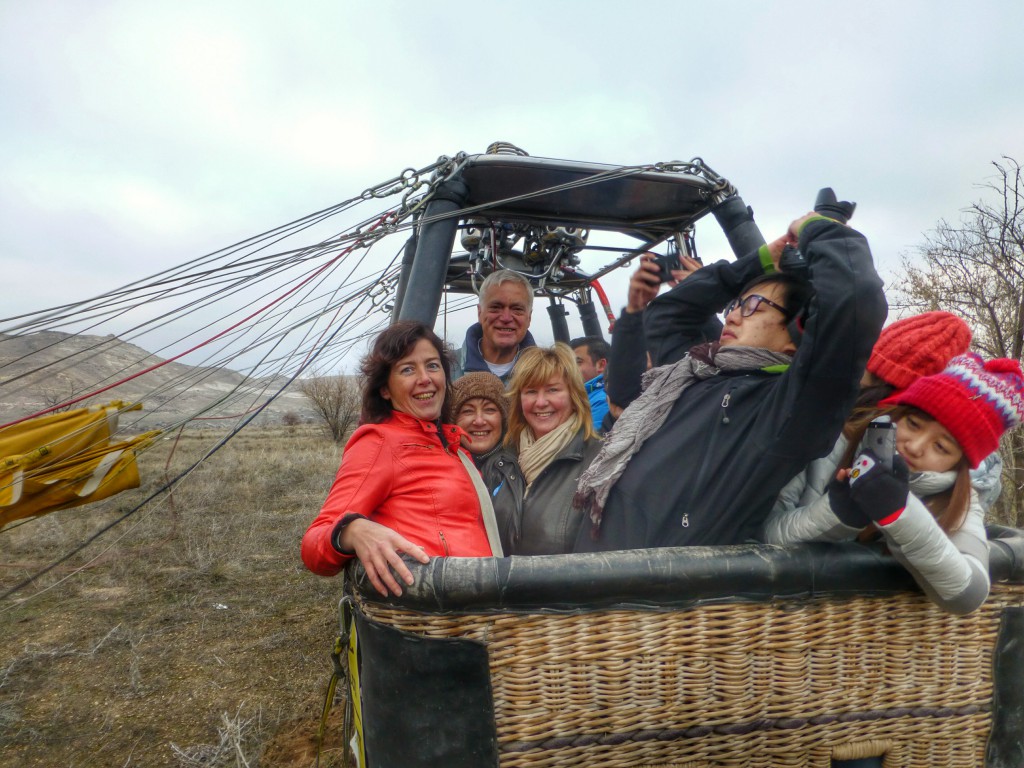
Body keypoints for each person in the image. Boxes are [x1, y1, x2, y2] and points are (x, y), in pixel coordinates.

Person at [573, 211, 887, 553]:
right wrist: (763, 260)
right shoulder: (694, 372)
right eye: (735, 304)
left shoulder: (785, 409)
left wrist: (818, 229)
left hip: (650, 595)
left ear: (793, 337)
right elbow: (667, 314)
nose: (734, 314)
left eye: (754, 306)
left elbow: (852, 304)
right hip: (591, 570)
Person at [764, 352, 1023, 616]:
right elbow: (764, 534)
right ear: (898, 413)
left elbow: (968, 594)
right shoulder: (830, 441)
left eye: (941, 447)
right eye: (912, 423)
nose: (915, 446)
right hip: (786, 618)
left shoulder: (959, 498)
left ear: (959, 465)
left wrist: (899, 513)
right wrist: (837, 513)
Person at [767, 310, 1002, 543]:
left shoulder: (957, 491)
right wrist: (839, 511)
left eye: (878, 382)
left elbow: (965, 575)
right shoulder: (817, 428)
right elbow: (767, 529)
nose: (857, 384)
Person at [301, 321, 495, 596]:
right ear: (385, 389)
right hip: (430, 618)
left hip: (479, 612)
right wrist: (352, 531)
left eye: (432, 365)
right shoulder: (379, 442)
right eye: (407, 369)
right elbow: (314, 546)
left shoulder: (455, 446)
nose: (425, 378)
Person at [501, 344, 603, 554]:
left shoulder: (600, 462)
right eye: (530, 391)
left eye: (552, 390)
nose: (540, 402)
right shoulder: (504, 459)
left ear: (574, 396)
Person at [451, 372, 525, 554]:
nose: (479, 421)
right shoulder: (441, 467)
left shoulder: (523, 463)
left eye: (490, 410)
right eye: (467, 411)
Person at [451, 269, 537, 385]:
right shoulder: (445, 368)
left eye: (517, 309)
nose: (506, 318)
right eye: (496, 307)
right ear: (480, 313)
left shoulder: (549, 371)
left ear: (529, 317)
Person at [570, 336, 611, 430]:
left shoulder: (602, 401)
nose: (568, 368)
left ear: (601, 365)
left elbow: (591, 442)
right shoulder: (580, 396)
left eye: (577, 362)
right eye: (568, 363)